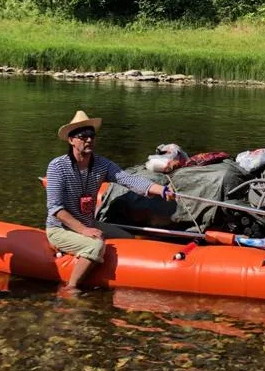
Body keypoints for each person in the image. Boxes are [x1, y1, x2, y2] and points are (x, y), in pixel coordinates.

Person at [46, 110, 176, 293]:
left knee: (129, 239)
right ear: (71, 140)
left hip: (88, 222)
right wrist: (84, 231)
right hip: (60, 228)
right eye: (83, 136)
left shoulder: (101, 164)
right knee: (95, 244)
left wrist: (160, 190)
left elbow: (128, 179)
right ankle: (71, 288)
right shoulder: (57, 167)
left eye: (91, 135)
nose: (89, 140)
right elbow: (56, 209)